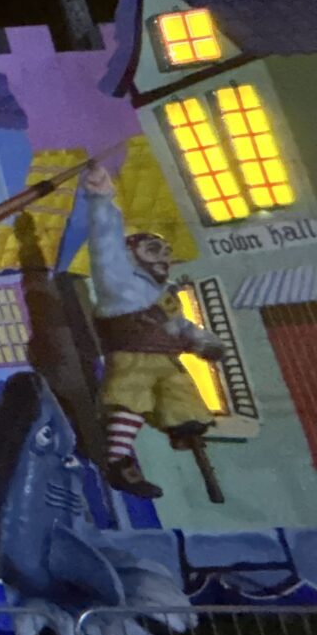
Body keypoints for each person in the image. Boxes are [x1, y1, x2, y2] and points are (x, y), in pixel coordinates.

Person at [80, 161, 223, 499]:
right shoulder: (120, 283)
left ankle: (184, 430)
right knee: (130, 400)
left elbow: (179, 325)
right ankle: (117, 460)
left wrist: (202, 341)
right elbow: (105, 245)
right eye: (152, 250)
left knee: (181, 394)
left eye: (166, 252)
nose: (163, 258)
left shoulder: (163, 294)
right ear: (131, 255)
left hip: (166, 359)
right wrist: (101, 200)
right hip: (133, 357)